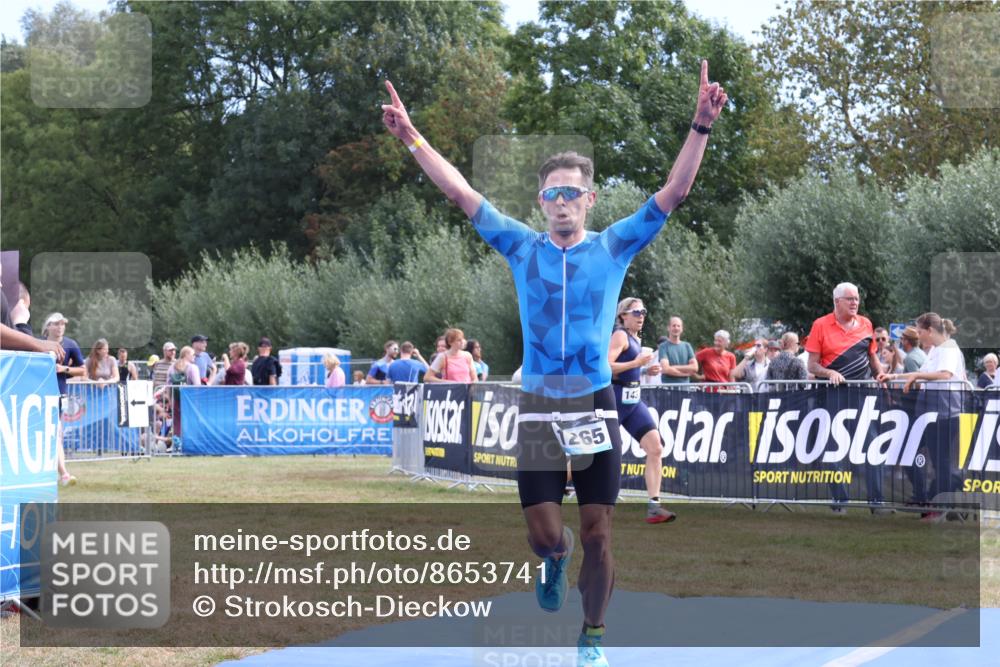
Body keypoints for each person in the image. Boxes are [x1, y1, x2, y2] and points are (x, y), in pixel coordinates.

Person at [381, 57, 726, 666]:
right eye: (551, 193)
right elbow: (460, 191)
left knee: (600, 532)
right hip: (540, 404)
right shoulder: (521, 246)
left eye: (572, 192)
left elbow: (674, 193)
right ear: (541, 202)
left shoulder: (613, 246)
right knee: (546, 536)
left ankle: (592, 636)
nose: (562, 202)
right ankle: (553, 559)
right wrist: (412, 137)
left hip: (595, 403)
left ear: (589, 199)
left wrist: (700, 125)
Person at [805, 282, 888, 514]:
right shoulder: (820, 325)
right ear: (837, 301)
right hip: (833, 395)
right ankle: (839, 500)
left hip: (863, 394)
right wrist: (829, 373)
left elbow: (872, 356)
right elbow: (812, 365)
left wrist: (880, 374)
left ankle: (877, 502)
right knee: (833, 448)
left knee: (871, 445)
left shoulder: (866, 324)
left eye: (857, 299)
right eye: (850, 299)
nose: (855, 303)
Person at [877, 313, 967, 520]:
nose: (918, 336)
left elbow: (944, 375)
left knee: (940, 461)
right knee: (917, 453)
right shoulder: (936, 350)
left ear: (930, 330)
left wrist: (916, 375)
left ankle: (943, 502)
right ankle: (932, 498)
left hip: (946, 412)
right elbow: (922, 373)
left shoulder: (949, 349)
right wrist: (894, 376)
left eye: (919, 331)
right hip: (933, 412)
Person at [609, 298, 677, 524]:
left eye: (644, 312)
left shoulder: (635, 338)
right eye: (636, 312)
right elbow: (606, 367)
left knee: (655, 448)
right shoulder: (620, 335)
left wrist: (646, 370)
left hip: (633, 402)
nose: (641, 316)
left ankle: (654, 507)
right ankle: (553, 484)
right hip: (614, 400)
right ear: (623, 315)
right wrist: (637, 363)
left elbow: (628, 370)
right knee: (591, 455)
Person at [658, 316, 698, 385]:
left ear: (682, 329)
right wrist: (684, 374)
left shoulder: (687, 346)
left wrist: (673, 367)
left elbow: (695, 367)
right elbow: (665, 368)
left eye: (678, 326)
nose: (676, 328)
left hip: (685, 388)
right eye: (674, 326)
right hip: (668, 388)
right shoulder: (663, 346)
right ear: (668, 328)